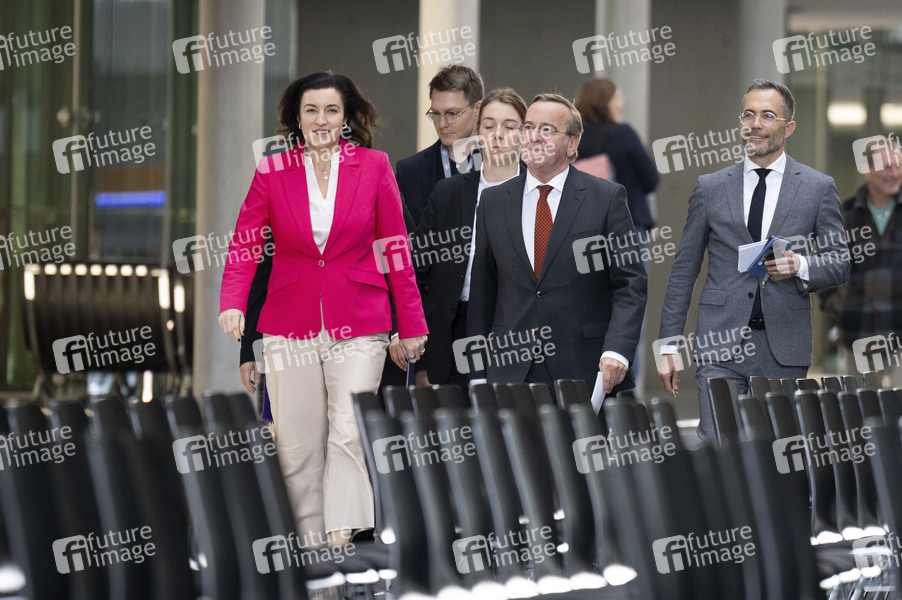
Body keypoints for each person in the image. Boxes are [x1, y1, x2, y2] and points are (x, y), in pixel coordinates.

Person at [218, 72, 428, 547]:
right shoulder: (273, 170)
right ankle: (310, 552)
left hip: (361, 321)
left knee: (349, 430)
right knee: (296, 445)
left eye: (331, 110)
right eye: (311, 110)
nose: (321, 119)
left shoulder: (374, 166)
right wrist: (232, 302)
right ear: (297, 117)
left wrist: (411, 321)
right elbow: (246, 241)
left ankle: (340, 540)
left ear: (346, 117)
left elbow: (395, 247)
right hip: (288, 323)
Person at [657, 79, 850, 441]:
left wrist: (800, 265)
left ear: (788, 127)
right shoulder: (710, 187)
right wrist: (668, 344)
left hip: (783, 349)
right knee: (720, 450)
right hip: (719, 344)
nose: (755, 124)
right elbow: (683, 270)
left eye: (767, 115)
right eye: (748, 114)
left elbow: (840, 262)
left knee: (775, 454)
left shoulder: (817, 187)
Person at [467, 93, 647, 395]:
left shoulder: (606, 198)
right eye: (528, 127)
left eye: (547, 129)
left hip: (585, 368)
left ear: (572, 143)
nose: (534, 136)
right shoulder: (493, 202)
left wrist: (617, 350)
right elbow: (483, 294)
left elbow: (630, 284)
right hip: (510, 369)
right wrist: (477, 374)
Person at [414, 88, 527, 387]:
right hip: (454, 329)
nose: (497, 135)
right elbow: (417, 269)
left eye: (510, 127)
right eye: (489, 126)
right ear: (478, 133)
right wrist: (422, 349)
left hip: (516, 328)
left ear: (525, 135)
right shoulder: (448, 193)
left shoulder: (539, 194)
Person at [824, 138, 902, 379]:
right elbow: (825, 269)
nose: (895, 173)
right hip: (859, 338)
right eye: (886, 166)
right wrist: (841, 307)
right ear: (866, 170)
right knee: (863, 403)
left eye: (898, 166)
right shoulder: (843, 214)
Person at [395, 65, 484, 227]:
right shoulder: (409, 172)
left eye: (452, 113)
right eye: (436, 114)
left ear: (477, 109)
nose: (442, 124)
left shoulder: (504, 166)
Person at [575, 78, 659, 232]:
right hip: (628, 221)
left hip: (587, 225)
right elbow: (651, 179)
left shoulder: (574, 138)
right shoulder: (623, 133)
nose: (620, 105)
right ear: (605, 103)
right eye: (617, 98)